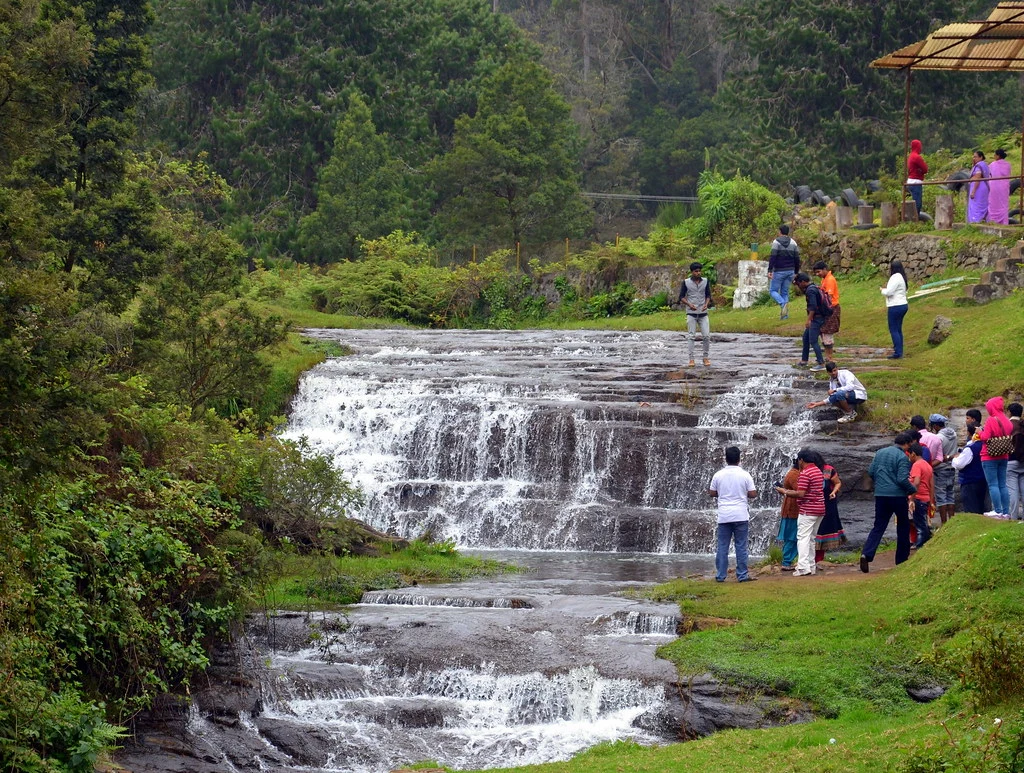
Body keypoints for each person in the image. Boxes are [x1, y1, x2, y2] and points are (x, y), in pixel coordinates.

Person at [860, 431, 916, 573]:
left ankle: (866, 553)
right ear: (907, 444)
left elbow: (871, 472)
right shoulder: (902, 457)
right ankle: (901, 560)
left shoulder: (880, 453)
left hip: (881, 494)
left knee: (878, 526)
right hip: (897, 496)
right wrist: (912, 489)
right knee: (903, 527)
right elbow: (902, 479)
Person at [709, 446, 758, 582]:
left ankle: (720, 576)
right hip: (741, 515)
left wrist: (723, 493)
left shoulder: (718, 475)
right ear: (739, 459)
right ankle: (742, 575)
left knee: (722, 546)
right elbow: (753, 494)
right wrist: (742, 492)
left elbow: (712, 492)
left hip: (724, 515)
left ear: (726, 458)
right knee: (741, 546)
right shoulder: (745, 474)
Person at [776, 448, 825, 577]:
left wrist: (784, 491)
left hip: (808, 510)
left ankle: (803, 567)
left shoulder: (805, 473)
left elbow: (801, 493)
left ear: (801, 460)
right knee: (811, 538)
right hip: (819, 508)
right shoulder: (818, 471)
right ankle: (811, 566)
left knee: (802, 538)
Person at [977, 396, 1013, 517]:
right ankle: (1006, 511)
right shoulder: (1007, 420)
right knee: (1002, 484)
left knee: (993, 484)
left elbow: (985, 437)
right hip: (1004, 455)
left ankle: (997, 510)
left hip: (989, 456)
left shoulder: (991, 420)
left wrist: (979, 432)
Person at [952, 417, 990, 515]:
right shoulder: (985, 445)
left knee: (971, 510)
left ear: (969, 433)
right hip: (983, 480)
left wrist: (955, 458)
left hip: (970, 482)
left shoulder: (970, 448)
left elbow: (959, 464)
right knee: (982, 508)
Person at [678, 261, 712, 368]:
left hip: (703, 312)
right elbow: (681, 297)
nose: (698, 273)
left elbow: (708, 295)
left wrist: (706, 304)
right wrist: (689, 304)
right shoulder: (686, 282)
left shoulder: (705, 281)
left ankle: (705, 358)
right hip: (691, 313)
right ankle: (691, 359)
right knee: (691, 336)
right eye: (696, 271)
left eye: (699, 271)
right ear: (692, 272)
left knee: (706, 336)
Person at [793, 273, 827, 371]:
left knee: (813, 340)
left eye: (799, 284)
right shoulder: (813, 287)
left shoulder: (810, 291)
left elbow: (813, 307)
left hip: (816, 318)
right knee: (806, 338)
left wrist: (809, 320)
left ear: (803, 282)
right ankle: (804, 360)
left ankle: (821, 363)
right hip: (816, 317)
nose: (798, 287)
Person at [815, 461, 846, 567]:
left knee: (823, 529)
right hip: (812, 504)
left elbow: (837, 482)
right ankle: (812, 559)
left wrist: (834, 492)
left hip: (828, 503)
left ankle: (819, 559)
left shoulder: (827, 469)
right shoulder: (806, 469)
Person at [929, 414, 958, 526]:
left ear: (936, 425)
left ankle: (944, 524)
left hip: (940, 469)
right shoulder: (954, 434)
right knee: (950, 496)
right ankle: (952, 523)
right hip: (951, 468)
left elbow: (937, 456)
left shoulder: (938, 438)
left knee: (941, 498)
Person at [768, 225, 800, 320]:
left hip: (779, 271)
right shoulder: (793, 243)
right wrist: (796, 271)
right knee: (785, 292)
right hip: (790, 271)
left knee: (773, 291)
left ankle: (783, 303)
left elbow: (773, 256)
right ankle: (785, 316)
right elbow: (797, 258)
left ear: (780, 232)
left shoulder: (776, 242)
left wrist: (770, 270)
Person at [776, 457, 801, 570]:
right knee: (792, 537)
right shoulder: (794, 474)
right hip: (792, 511)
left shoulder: (795, 473)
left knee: (793, 536)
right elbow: (800, 491)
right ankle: (786, 562)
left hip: (792, 510)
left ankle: (789, 561)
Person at [907, 443, 934, 549]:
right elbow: (932, 485)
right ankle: (925, 544)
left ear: (913, 454)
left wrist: (912, 499)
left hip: (918, 498)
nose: (909, 457)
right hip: (925, 498)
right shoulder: (927, 465)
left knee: (920, 526)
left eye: (909, 455)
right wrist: (931, 501)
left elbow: (916, 482)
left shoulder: (916, 465)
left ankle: (920, 546)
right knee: (921, 523)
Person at [881, 260, 909, 360]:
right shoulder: (902, 277)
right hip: (903, 304)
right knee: (898, 329)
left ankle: (897, 352)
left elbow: (889, 292)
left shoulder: (895, 277)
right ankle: (899, 349)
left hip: (895, 306)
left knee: (893, 329)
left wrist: (882, 290)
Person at [813, 260, 840, 360]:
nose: (817, 274)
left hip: (831, 308)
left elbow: (828, 296)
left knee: (827, 332)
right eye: (816, 273)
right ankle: (827, 356)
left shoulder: (830, 280)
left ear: (825, 269)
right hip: (825, 309)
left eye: (819, 272)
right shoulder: (824, 279)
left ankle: (830, 356)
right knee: (823, 332)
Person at [1008, 402, 1024, 520]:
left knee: (1012, 491)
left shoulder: (1008, 425)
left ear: (1009, 412)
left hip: (1011, 460)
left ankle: (1013, 518)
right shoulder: (1022, 424)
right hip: (1023, 461)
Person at [987, 148, 1012, 225]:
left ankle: (993, 221)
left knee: (993, 203)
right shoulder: (1008, 165)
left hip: (995, 187)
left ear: (998, 156)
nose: (994, 156)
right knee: (1003, 204)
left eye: (995, 154)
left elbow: (989, 174)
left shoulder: (993, 164)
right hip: (1004, 187)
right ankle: (1004, 222)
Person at [968, 149, 991, 223]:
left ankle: (975, 222)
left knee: (976, 206)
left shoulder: (979, 166)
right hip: (984, 187)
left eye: (976, 157)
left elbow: (977, 177)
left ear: (981, 157)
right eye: (973, 157)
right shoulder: (984, 165)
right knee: (982, 205)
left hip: (978, 188)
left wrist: (973, 191)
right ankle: (983, 221)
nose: (974, 158)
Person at [906, 138, 928, 216]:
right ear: (918, 146)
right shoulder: (916, 157)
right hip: (916, 182)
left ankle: (914, 219)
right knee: (917, 204)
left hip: (910, 181)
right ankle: (914, 220)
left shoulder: (910, 156)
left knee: (914, 202)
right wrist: (920, 171)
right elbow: (925, 169)